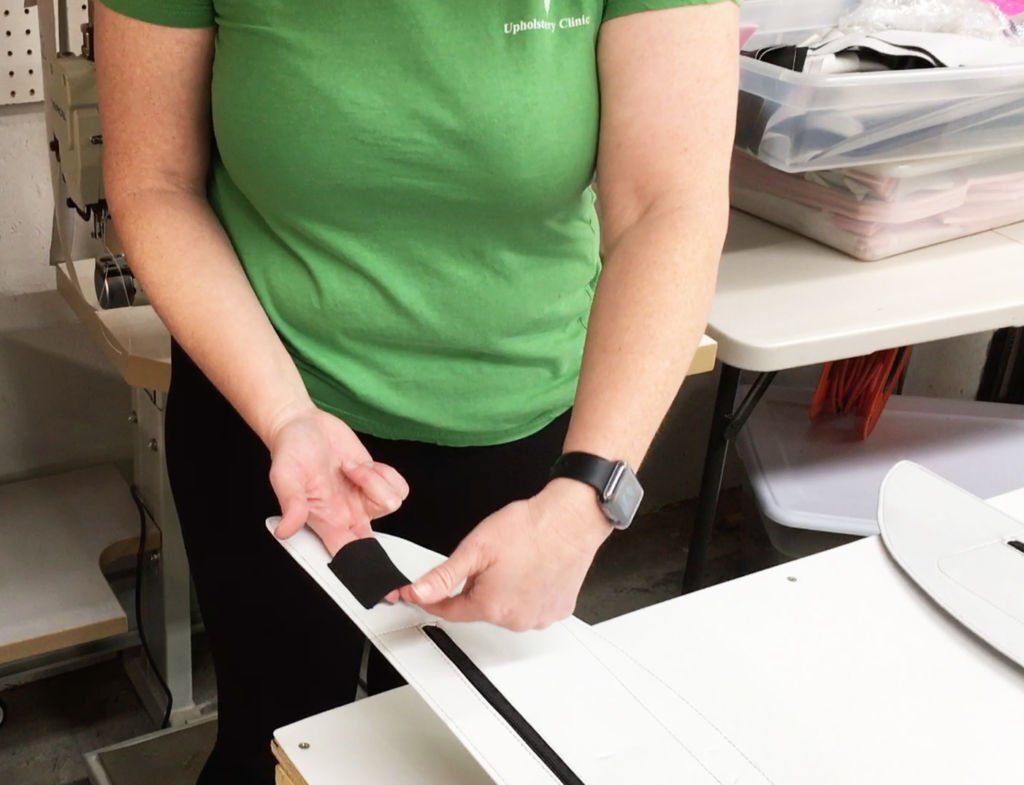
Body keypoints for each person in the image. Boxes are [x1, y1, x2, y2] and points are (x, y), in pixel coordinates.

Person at [95, 0, 739, 782]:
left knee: (455, 754)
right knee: (279, 741)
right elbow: (155, 181)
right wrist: (285, 412)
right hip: (268, 418)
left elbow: (669, 204)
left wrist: (587, 495)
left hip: (525, 446)